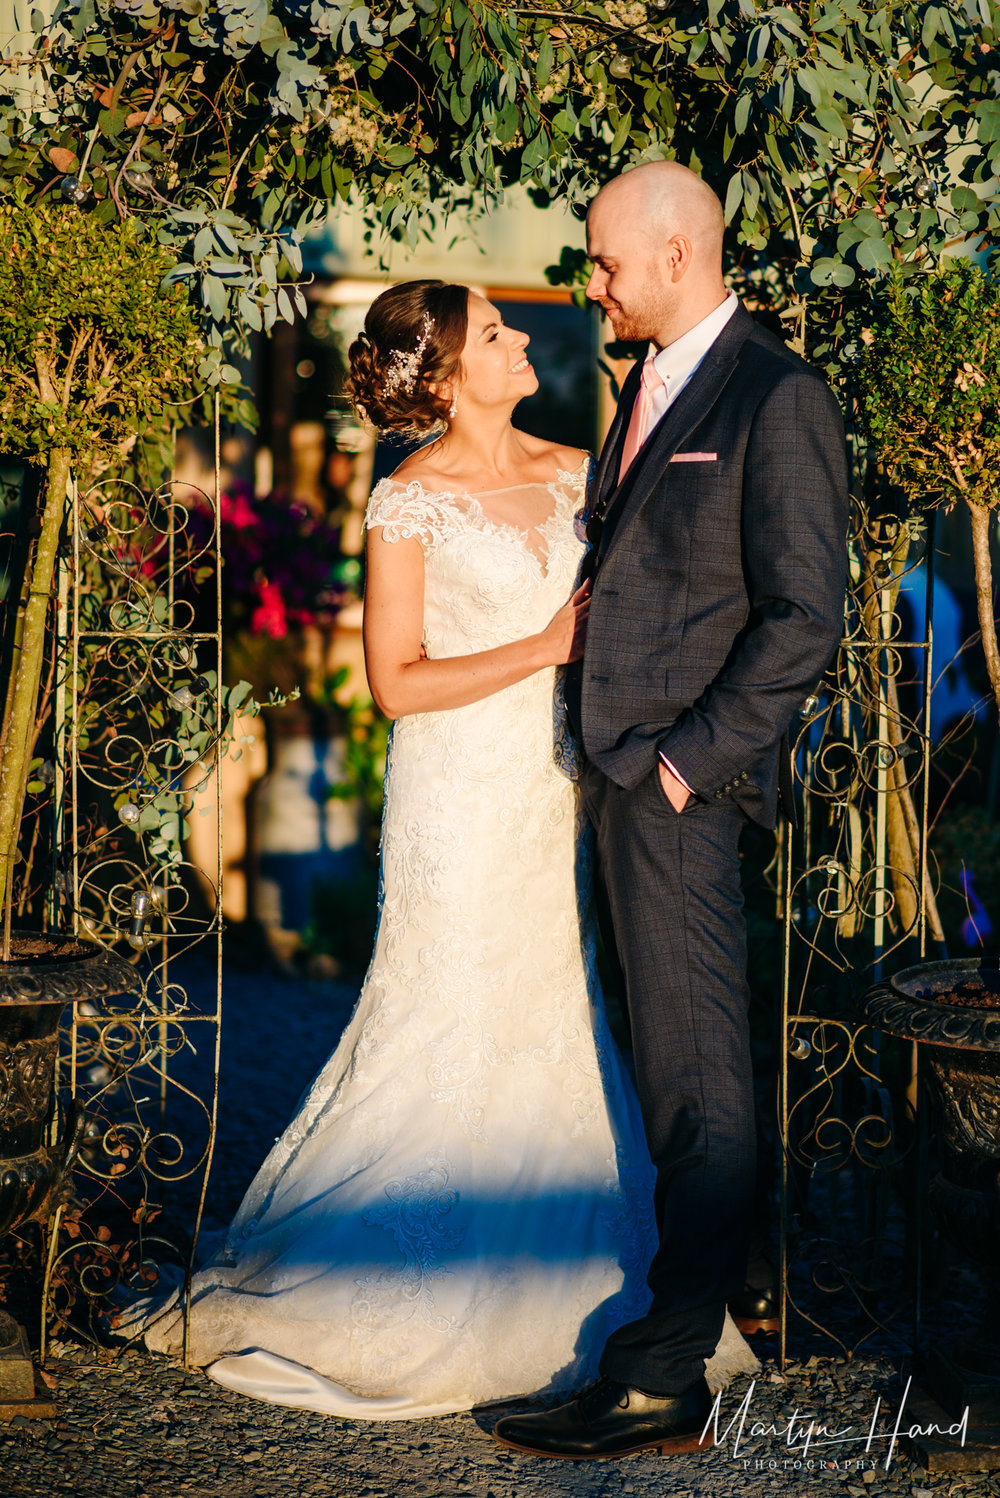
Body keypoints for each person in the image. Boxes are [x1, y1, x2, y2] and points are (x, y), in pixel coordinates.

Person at [130, 279, 757, 1418]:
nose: (522, 339)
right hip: (457, 792)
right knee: (445, 1003)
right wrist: (543, 644)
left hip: (554, 785)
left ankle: (582, 1264)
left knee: (552, 1002)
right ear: (451, 370)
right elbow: (395, 682)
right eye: (497, 332)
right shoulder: (407, 503)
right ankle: (405, 1271)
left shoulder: (582, 469)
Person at [493, 163, 850, 1460]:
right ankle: (659, 1349)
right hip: (622, 780)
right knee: (667, 1076)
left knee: (701, 1081)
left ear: (681, 247)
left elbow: (807, 612)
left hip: (681, 790)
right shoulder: (644, 383)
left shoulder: (777, 392)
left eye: (603, 262)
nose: (591, 285)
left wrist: (684, 765)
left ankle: (663, 1374)